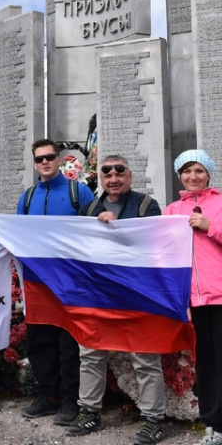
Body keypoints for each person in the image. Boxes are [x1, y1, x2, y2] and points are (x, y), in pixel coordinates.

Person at [67, 156, 165, 444]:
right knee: (91, 354)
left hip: (137, 294)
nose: (113, 177)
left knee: (144, 356)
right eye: (107, 173)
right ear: (101, 178)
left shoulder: (147, 205)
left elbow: (153, 244)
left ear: (129, 176)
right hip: (98, 293)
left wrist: (118, 226)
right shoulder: (90, 209)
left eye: (119, 172)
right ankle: (89, 412)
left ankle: (153, 419)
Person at [17, 138, 95, 426]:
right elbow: (17, 235)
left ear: (60, 160)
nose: (45, 162)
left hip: (72, 282)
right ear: (35, 163)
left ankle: (70, 399)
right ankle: (46, 395)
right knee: (40, 341)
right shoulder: (26, 198)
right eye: (39, 159)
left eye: (50, 157)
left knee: (70, 342)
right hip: (38, 283)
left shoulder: (79, 192)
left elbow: (94, 232)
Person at [164, 149, 222, 445]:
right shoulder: (172, 210)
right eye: (186, 171)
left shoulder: (221, 204)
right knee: (207, 365)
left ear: (209, 173)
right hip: (193, 301)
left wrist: (210, 227)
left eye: (198, 170)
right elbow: (162, 252)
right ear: (180, 176)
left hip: (221, 297)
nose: (192, 176)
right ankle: (214, 424)